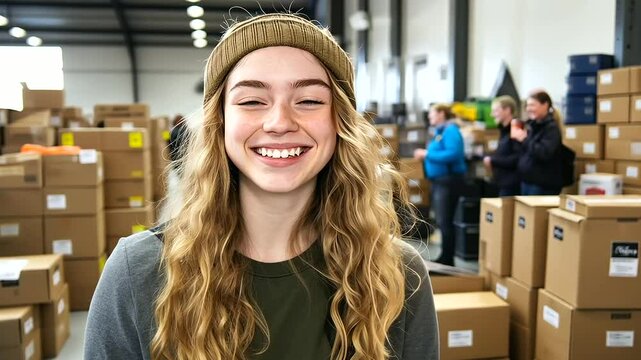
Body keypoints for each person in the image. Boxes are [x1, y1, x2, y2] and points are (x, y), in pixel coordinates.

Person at [85, 13, 439, 360]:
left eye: (309, 101)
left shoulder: (395, 275)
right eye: (252, 100)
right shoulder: (138, 271)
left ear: (340, 122)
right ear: (219, 122)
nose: (279, 122)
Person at [414, 104, 466, 266]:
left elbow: (453, 153)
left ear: (442, 114)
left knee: (445, 220)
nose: (429, 117)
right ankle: (445, 255)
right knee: (442, 220)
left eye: (432, 114)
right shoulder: (440, 132)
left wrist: (428, 154)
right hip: (439, 181)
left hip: (448, 181)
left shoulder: (450, 131)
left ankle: (448, 259)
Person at [511, 90, 563, 195]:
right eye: (527, 106)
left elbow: (544, 153)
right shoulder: (531, 126)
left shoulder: (551, 128)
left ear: (545, 105)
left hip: (541, 185)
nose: (529, 109)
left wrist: (524, 140)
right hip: (527, 181)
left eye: (532, 105)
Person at [483, 96, 522, 196]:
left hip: (512, 183)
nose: (492, 114)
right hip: (502, 181)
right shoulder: (503, 130)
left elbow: (518, 157)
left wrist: (493, 161)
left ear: (507, 110)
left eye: (496, 111)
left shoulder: (517, 127)